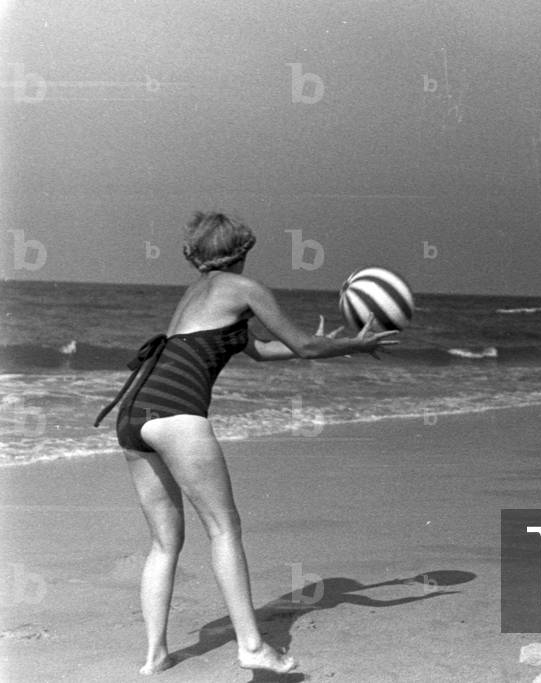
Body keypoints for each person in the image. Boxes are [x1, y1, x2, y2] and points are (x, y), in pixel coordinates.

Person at [94, 212, 398, 675]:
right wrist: (353, 345)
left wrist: (318, 342)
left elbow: (258, 349)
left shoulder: (195, 294)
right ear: (243, 251)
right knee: (223, 528)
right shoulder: (245, 288)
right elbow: (305, 348)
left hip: (135, 411)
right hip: (176, 412)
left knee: (164, 542)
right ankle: (252, 646)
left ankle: (155, 656)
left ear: (193, 254)